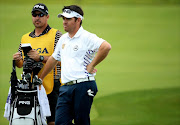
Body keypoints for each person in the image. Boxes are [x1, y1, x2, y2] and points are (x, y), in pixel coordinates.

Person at [39, 5, 111, 125]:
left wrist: (92, 65)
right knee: (60, 122)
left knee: (81, 121)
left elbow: (106, 47)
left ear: (78, 20)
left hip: (84, 85)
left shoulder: (87, 37)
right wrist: (41, 78)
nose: (64, 22)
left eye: (68, 19)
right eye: (63, 19)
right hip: (66, 87)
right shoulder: (63, 39)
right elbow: (53, 59)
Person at [13, 3, 62, 125]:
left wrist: (40, 58)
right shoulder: (25, 38)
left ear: (47, 17)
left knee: (52, 122)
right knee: (31, 119)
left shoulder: (56, 34)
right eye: (34, 15)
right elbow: (21, 64)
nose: (37, 18)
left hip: (52, 85)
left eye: (41, 15)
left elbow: (63, 59)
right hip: (30, 86)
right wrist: (17, 59)